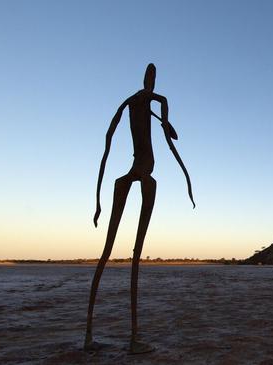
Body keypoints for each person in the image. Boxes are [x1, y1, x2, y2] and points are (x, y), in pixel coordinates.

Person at [84, 63, 195, 354]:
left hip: (126, 175)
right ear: (152, 80)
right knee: (132, 256)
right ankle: (133, 339)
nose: (152, 83)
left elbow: (108, 143)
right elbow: (172, 146)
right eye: (152, 79)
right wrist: (187, 180)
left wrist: (97, 201)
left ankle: (89, 336)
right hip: (145, 174)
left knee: (107, 252)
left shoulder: (129, 101)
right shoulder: (158, 100)